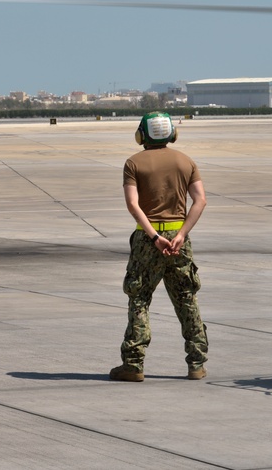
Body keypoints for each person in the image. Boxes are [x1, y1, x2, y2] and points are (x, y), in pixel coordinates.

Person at [110, 112, 208, 382]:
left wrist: (154, 236)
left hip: (147, 239)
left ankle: (133, 364)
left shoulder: (133, 163)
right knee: (186, 298)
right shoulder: (186, 162)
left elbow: (133, 204)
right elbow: (200, 201)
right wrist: (181, 234)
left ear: (142, 134)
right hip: (179, 238)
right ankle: (196, 363)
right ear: (171, 134)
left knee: (139, 299)